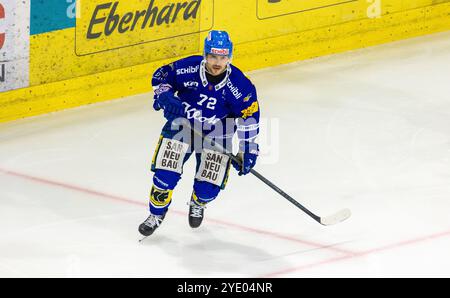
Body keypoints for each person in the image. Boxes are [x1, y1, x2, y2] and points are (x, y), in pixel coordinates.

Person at [139, 30, 260, 237]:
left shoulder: (240, 86)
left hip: (218, 134)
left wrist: (248, 150)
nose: (217, 62)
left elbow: (249, 118)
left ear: (229, 57)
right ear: (205, 55)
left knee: (207, 189)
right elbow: (160, 76)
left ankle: (198, 202)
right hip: (181, 127)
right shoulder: (188, 67)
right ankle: (156, 215)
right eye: (212, 56)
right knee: (163, 178)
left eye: (222, 57)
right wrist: (165, 96)